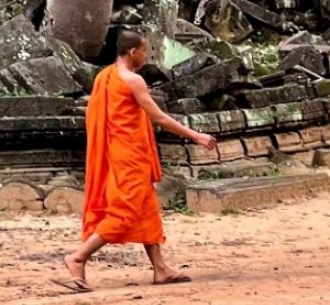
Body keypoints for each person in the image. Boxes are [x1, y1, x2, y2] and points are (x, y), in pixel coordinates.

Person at [58, 30, 218, 292]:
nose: (148, 55)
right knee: (124, 213)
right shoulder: (132, 80)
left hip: (120, 152)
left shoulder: (104, 76)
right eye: (145, 51)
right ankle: (78, 257)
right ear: (133, 52)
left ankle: (160, 269)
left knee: (145, 209)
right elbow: (159, 118)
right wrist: (195, 135)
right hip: (128, 157)